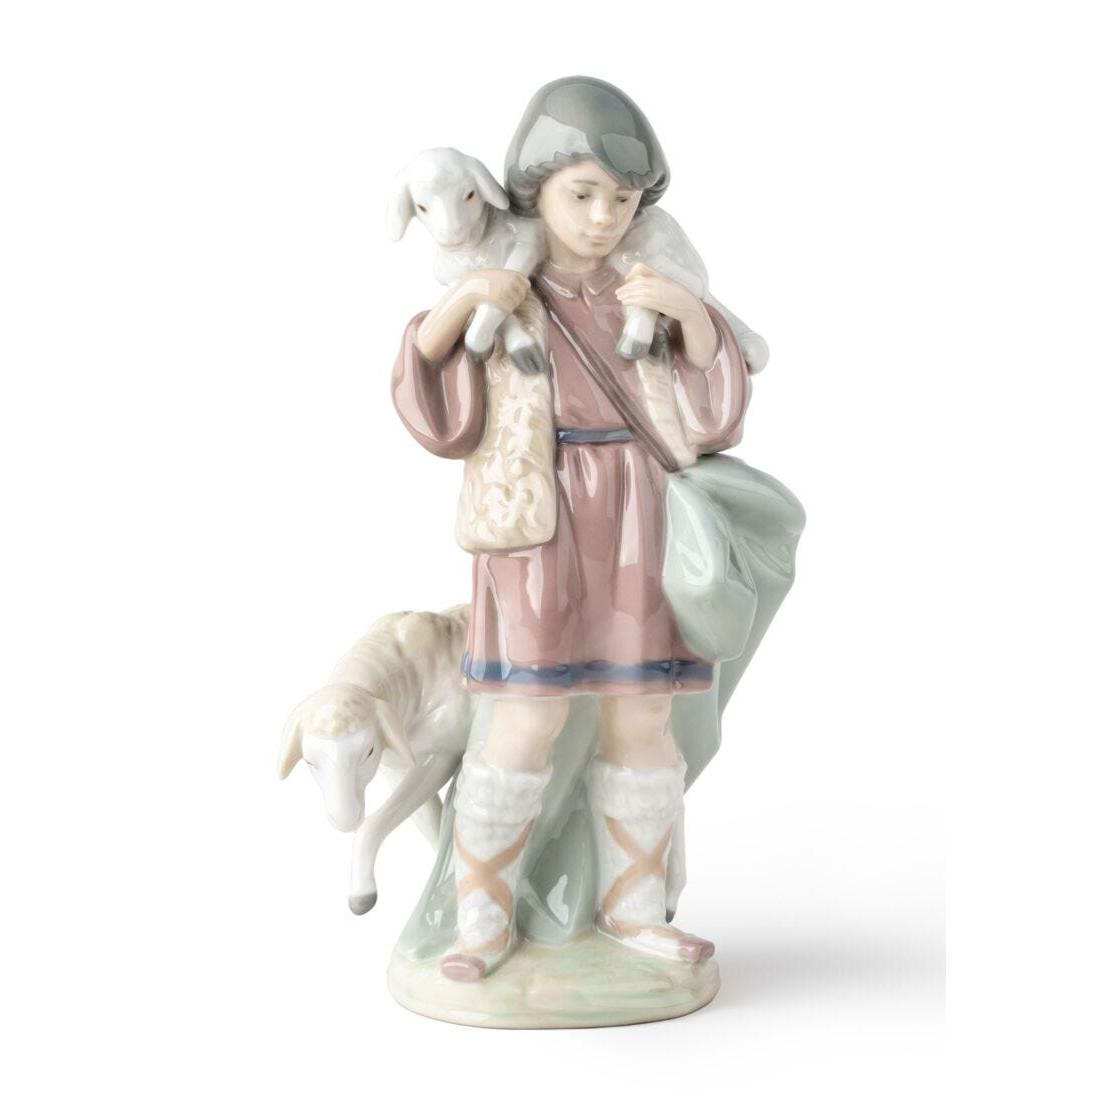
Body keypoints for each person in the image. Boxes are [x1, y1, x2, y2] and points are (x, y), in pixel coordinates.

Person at [391, 76, 751, 981]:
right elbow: (440, 418)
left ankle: (635, 911)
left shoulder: (651, 283)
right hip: (534, 521)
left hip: (639, 515)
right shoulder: (504, 285)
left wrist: (692, 319)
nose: (602, 218)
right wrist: (456, 308)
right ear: (533, 186)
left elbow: (713, 418)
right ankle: (482, 920)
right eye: (582, 193)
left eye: (622, 199)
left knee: (643, 715)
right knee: (523, 718)